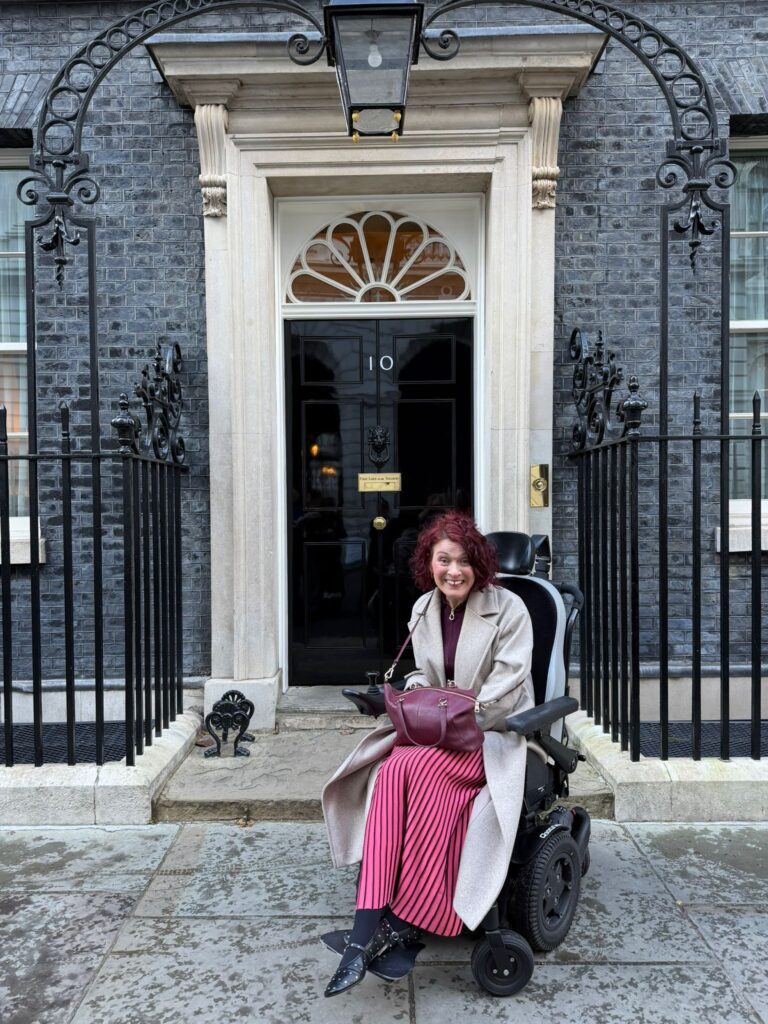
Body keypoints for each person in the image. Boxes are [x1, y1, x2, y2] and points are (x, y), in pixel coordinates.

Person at [321, 511, 535, 997]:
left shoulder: (511, 609)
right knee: (393, 768)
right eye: (443, 560)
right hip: (437, 734)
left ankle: (400, 924)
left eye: (462, 560)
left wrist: (451, 712)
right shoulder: (423, 608)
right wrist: (411, 693)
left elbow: (507, 688)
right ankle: (367, 932)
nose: (453, 571)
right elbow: (422, 674)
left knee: (411, 768)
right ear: (430, 563)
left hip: (490, 735)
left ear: (478, 563)